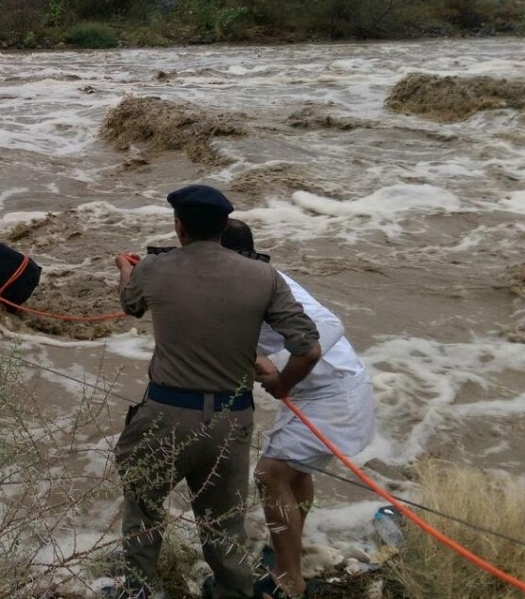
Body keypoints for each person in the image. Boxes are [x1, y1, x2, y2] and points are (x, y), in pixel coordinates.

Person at [113, 185, 321, 599]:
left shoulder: (154, 268)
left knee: (144, 512)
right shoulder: (265, 276)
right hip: (231, 419)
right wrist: (281, 384)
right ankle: (234, 591)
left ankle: (141, 591)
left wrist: (125, 269)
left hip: (165, 414)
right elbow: (308, 348)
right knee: (223, 522)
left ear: (178, 226)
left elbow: (130, 304)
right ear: (225, 226)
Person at [220, 220, 376, 599]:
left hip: (332, 392)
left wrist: (283, 376)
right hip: (316, 388)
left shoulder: (269, 283)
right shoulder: (235, 277)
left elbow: (327, 325)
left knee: (270, 475)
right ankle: (289, 551)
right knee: (293, 472)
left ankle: (289, 578)